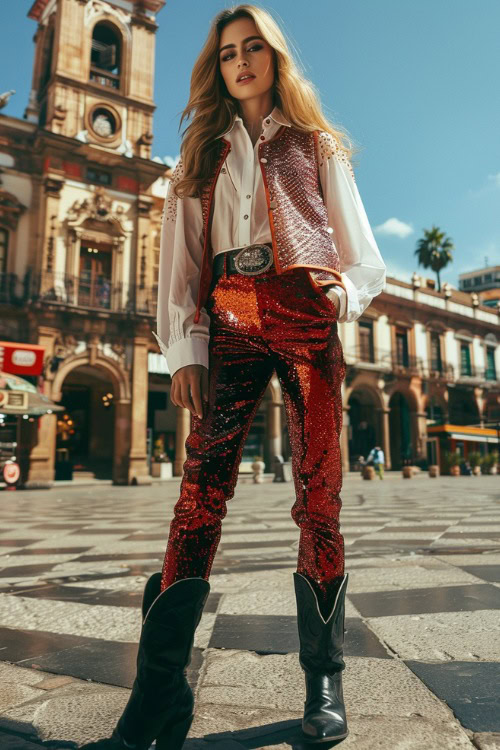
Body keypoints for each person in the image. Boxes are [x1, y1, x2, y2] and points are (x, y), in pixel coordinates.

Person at [82, 5, 386, 749]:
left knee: (320, 494)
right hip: (229, 320)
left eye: (254, 49)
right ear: (215, 67)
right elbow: (180, 267)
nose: (241, 62)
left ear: (274, 58)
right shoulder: (200, 153)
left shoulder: (316, 145)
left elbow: (362, 252)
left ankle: (324, 683)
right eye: (227, 54)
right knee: (198, 498)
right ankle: (158, 694)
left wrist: (342, 295)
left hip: (306, 312)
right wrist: (184, 352)